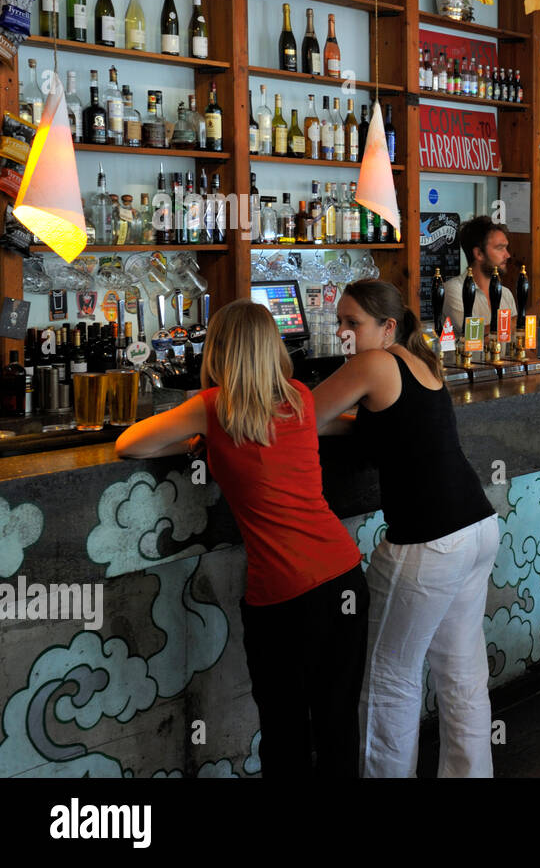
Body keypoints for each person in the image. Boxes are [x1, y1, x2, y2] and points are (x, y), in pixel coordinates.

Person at [115, 300, 367, 777]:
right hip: (343, 577)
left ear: (219, 351)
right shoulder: (299, 396)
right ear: (273, 348)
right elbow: (328, 428)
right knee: (337, 727)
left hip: (283, 595)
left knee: (284, 728)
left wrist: (196, 439)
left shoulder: (213, 408)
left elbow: (129, 444)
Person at [312, 278, 498, 778]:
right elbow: (370, 423)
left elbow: (299, 416)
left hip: (428, 542)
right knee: (462, 677)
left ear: (387, 326)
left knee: (388, 680)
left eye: (353, 322)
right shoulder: (419, 362)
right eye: (339, 322)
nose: (343, 332)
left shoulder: (372, 364)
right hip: (476, 526)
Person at [442, 215, 517, 336]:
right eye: (500, 248)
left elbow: (515, 345)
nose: (507, 255)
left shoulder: (506, 294)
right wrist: (528, 316)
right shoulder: (453, 290)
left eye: (506, 248)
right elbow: (473, 335)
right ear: (479, 254)